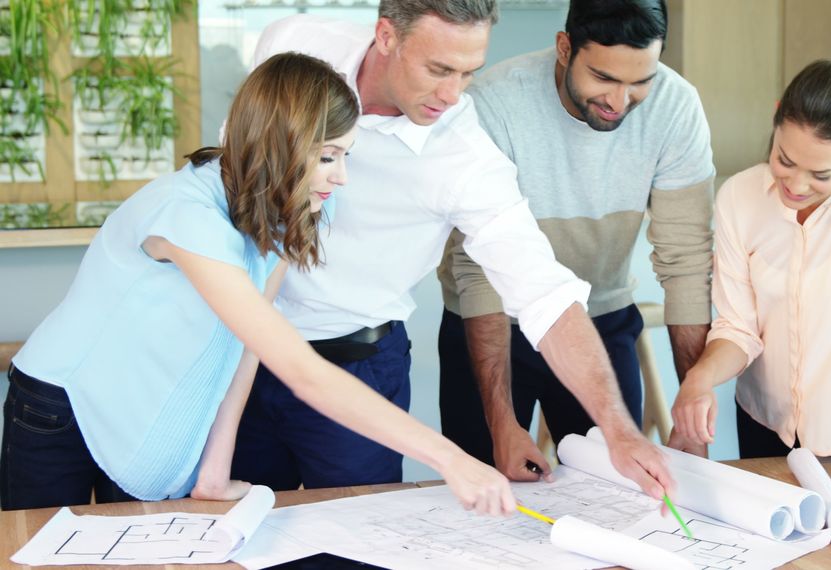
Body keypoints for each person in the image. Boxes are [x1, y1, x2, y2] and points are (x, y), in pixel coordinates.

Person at [0, 53, 515, 517]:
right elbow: (300, 370)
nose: (341, 178)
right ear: (281, 144)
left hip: (138, 404)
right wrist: (451, 458)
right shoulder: (186, 216)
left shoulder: (278, 209)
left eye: (347, 155)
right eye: (328, 155)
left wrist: (213, 475)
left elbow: (246, 348)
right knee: (38, 549)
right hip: (57, 404)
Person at [230, 1, 674, 500]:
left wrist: (619, 429)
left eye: (468, 73)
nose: (453, 94)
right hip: (239, 349)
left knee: (356, 543)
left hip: (356, 363)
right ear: (385, 36)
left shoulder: (463, 156)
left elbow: (544, 294)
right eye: (438, 69)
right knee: (236, 528)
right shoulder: (292, 43)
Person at [437, 0, 714, 481]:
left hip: (600, 318)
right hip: (495, 319)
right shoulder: (494, 103)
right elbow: (478, 269)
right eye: (604, 78)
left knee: (617, 491)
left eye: (640, 81)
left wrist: (692, 401)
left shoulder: (676, 107)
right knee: (486, 496)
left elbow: (686, 260)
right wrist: (500, 423)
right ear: (565, 48)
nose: (620, 100)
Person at [668, 59, 831, 496]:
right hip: (762, 419)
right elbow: (739, 328)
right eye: (785, 159)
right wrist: (697, 380)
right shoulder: (741, 198)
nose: (796, 183)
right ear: (776, 119)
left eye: (821, 174)